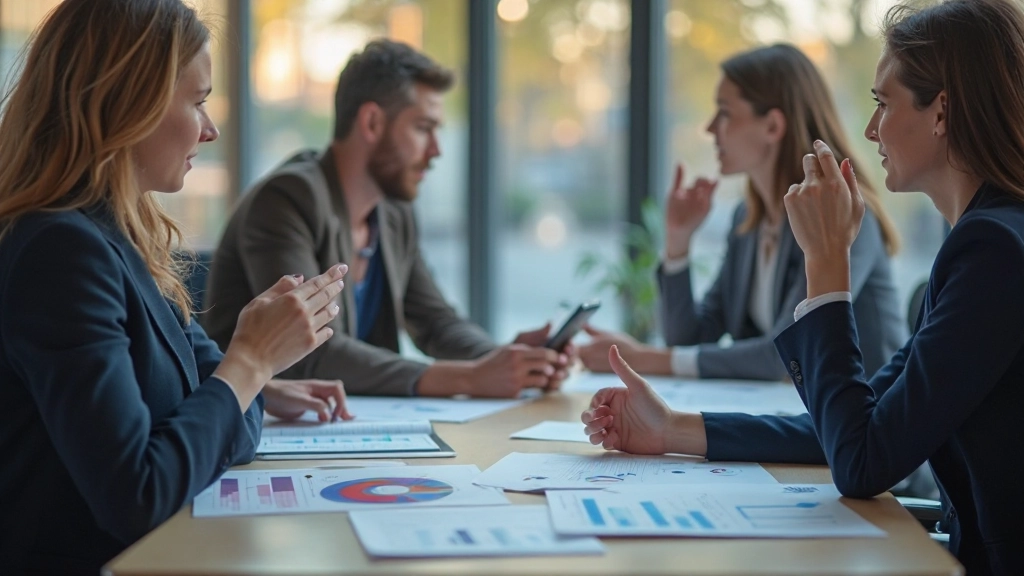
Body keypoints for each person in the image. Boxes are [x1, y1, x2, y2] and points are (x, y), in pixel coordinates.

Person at [583, 1, 1024, 572]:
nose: (870, 129)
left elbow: (861, 461)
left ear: (942, 111)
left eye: (883, 104)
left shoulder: (992, 250)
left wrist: (825, 261)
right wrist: (671, 429)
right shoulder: (986, 241)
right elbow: (850, 428)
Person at [0, 0, 350, 571]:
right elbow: (139, 495)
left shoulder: (119, 236)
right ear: (127, 103)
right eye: (198, 101)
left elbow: (232, 422)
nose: (210, 130)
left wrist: (239, 385)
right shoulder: (60, 253)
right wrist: (251, 365)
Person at [203, 39, 570, 398]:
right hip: (255, 430)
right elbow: (309, 349)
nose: (436, 150)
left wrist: (510, 361)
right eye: (423, 128)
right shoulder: (287, 199)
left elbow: (435, 322)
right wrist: (469, 378)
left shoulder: (393, 213)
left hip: (345, 424)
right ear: (373, 122)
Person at [579, 44, 904, 381]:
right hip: (790, 414)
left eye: (725, 112)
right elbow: (690, 339)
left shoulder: (843, 216)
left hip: (866, 421)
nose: (709, 128)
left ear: (772, 127)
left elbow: (783, 357)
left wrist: (643, 359)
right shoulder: (747, 222)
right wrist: (677, 242)